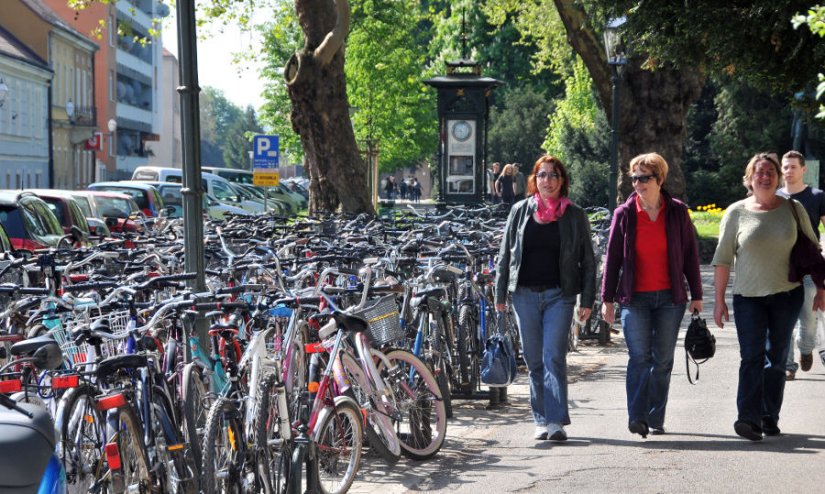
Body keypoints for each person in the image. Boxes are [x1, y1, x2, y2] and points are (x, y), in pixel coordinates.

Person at [712, 152, 825, 441]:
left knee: (775, 359)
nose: (765, 176)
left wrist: (822, 289)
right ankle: (747, 419)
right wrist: (719, 300)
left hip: (786, 295)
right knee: (751, 357)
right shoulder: (736, 212)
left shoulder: (793, 208)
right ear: (749, 178)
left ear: (778, 177)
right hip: (747, 298)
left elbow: (812, 249)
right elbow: (723, 259)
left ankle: (768, 416)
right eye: (759, 172)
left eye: (770, 172)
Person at [601, 152, 703, 438]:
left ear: (659, 179)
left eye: (644, 178)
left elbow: (690, 256)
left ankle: (655, 417)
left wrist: (697, 294)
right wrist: (606, 299)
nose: (638, 183)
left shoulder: (677, 212)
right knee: (638, 358)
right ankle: (637, 417)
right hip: (635, 299)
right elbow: (613, 259)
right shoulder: (625, 214)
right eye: (635, 178)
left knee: (662, 360)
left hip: (671, 299)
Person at [495, 155, 596, 442]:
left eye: (553, 175)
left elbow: (588, 261)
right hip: (524, 295)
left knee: (553, 356)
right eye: (542, 175)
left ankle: (555, 422)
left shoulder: (574, 215)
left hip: (558, 295)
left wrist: (587, 299)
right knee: (534, 359)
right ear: (534, 180)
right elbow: (505, 255)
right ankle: (540, 419)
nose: (547, 180)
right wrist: (500, 292)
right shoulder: (519, 211)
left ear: (562, 181)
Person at [776, 150, 825, 379]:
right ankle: (788, 365)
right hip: (780, 267)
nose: (788, 171)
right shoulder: (774, 197)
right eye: (785, 167)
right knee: (783, 319)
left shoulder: (817, 196)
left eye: (793, 167)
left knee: (809, 318)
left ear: (803, 169)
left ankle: (805, 348)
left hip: (808, 267)